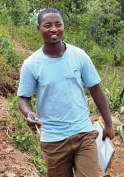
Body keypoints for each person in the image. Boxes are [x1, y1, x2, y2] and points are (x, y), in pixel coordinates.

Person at [17, 8, 115, 177]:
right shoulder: (31, 64)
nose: (54, 29)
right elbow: (23, 98)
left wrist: (109, 123)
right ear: (38, 28)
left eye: (58, 24)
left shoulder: (79, 56)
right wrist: (29, 113)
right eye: (47, 25)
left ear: (63, 26)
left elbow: (96, 89)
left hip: (83, 132)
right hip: (53, 139)